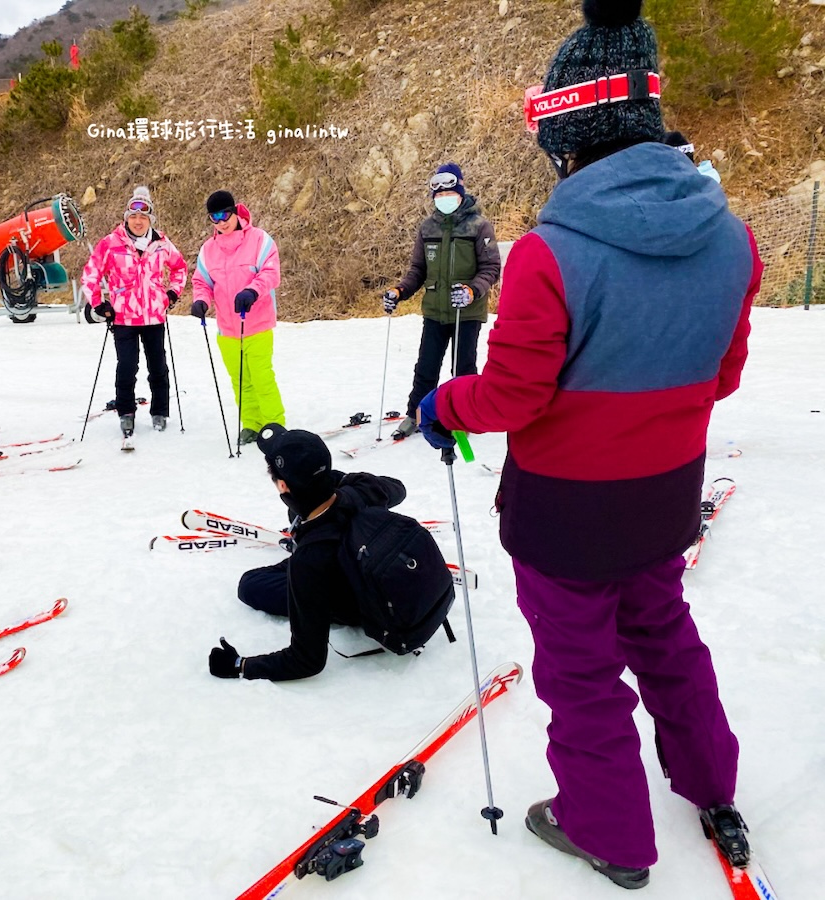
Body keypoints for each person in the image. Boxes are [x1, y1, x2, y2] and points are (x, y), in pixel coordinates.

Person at [416, 0, 762, 888]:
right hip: (664, 499)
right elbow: (722, 377)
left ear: (572, 136)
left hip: (566, 514)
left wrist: (446, 404)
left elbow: (514, 397)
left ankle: (608, 830)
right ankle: (712, 783)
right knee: (666, 636)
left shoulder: (549, 254)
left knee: (581, 675)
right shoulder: (734, 241)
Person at [207, 424, 410, 681]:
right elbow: (398, 488)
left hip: (355, 601)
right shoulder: (361, 489)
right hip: (372, 568)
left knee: (250, 584)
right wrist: (336, 481)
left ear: (283, 486)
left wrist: (241, 665)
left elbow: (307, 660)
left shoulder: (310, 562)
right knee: (299, 524)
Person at [384, 163, 500, 439]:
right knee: (426, 366)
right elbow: (418, 271)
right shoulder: (428, 228)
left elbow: (491, 268)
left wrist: (472, 291)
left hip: (467, 311)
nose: (443, 199)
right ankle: (417, 414)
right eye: (438, 195)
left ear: (460, 192)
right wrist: (399, 292)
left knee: (463, 368)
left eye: (448, 193)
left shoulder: (479, 226)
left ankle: (463, 417)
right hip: (436, 310)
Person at [81, 186, 187, 437]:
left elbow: (180, 268)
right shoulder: (111, 243)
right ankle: (126, 413)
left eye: (143, 217)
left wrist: (171, 294)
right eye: (133, 216)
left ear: (150, 219)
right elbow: (90, 275)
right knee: (127, 366)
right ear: (126, 217)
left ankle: (160, 411)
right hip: (124, 318)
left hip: (154, 316)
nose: (138, 221)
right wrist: (98, 304)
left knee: (158, 367)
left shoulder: (161, 243)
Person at [190, 190, 283, 445]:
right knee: (240, 380)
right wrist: (200, 300)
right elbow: (202, 282)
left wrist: (252, 291)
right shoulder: (208, 250)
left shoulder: (259, 240)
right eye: (214, 217)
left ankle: (274, 425)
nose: (221, 222)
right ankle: (251, 424)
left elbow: (271, 273)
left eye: (224, 214)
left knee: (262, 377)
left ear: (234, 211)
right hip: (227, 329)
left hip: (257, 324)